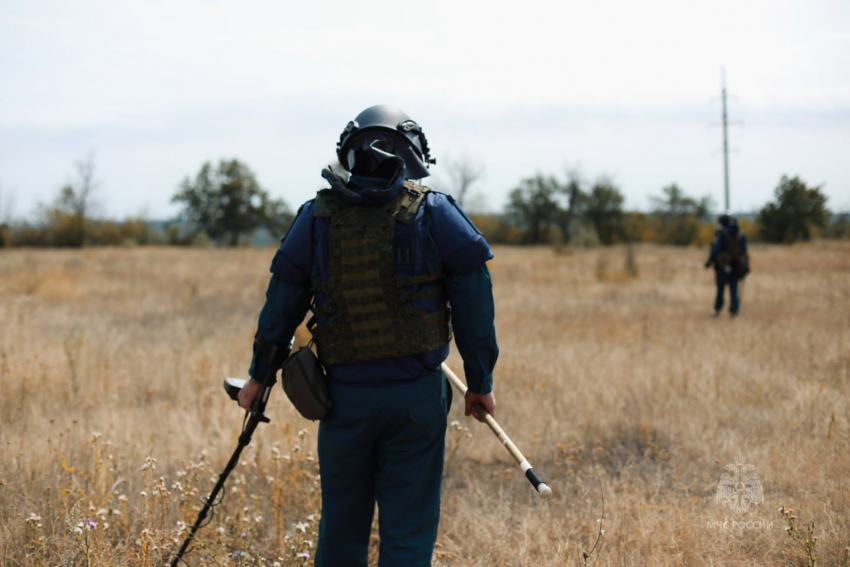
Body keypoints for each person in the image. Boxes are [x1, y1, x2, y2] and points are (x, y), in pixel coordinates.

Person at [237, 105, 499, 567]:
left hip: (343, 403)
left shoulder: (315, 217)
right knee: (408, 530)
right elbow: (475, 307)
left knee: (341, 527)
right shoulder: (435, 213)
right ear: (412, 157)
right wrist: (480, 383)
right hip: (417, 400)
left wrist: (258, 377)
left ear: (350, 154)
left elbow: (280, 306)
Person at [705, 213, 749, 317]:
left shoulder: (721, 234)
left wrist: (709, 262)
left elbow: (715, 249)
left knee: (720, 289)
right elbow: (744, 251)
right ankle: (734, 310)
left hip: (722, 266)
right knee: (734, 289)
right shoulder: (741, 235)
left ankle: (717, 309)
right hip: (735, 266)